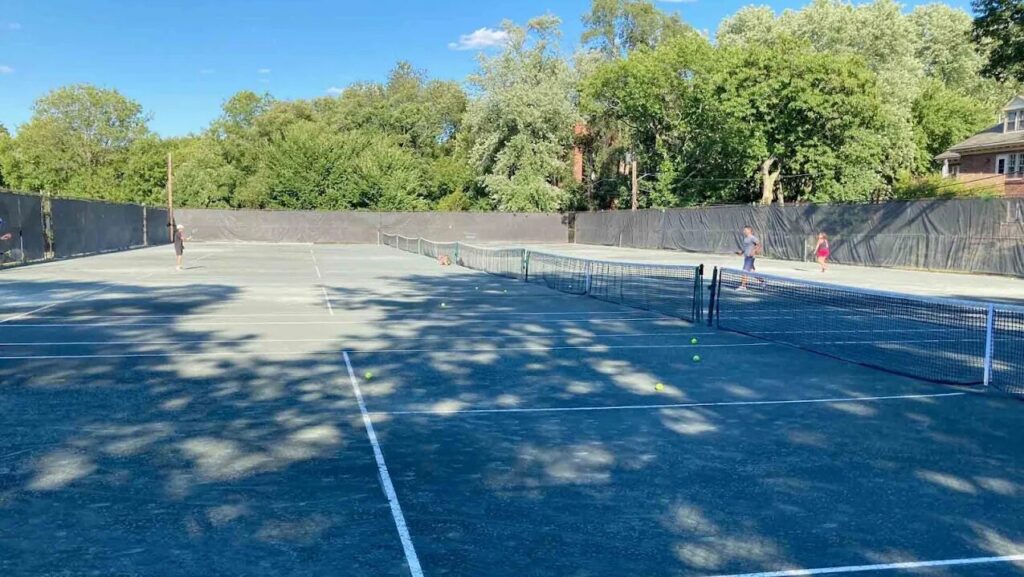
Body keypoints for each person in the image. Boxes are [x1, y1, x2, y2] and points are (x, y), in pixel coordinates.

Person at [736, 225, 761, 290]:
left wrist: (754, 251)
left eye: (745, 230)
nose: (744, 231)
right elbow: (745, 248)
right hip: (746, 257)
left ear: (749, 230)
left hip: (750, 258)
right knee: (752, 271)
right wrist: (741, 252)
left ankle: (743, 286)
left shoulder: (752, 238)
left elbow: (758, 244)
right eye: (744, 230)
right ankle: (762, 281)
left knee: (745, 271)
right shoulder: (745, 239)